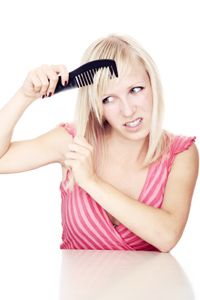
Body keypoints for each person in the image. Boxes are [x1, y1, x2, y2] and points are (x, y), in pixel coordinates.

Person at [0, 34, 199, 252]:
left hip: (150, 287)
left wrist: (91, 181)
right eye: (108, 99)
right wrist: (24, 95)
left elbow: (166, 236)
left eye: (135, 90)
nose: (128, 110)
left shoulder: (180, 153)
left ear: (153, 84)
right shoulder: (74, 141)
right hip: (78, 287)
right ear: (96, 104)